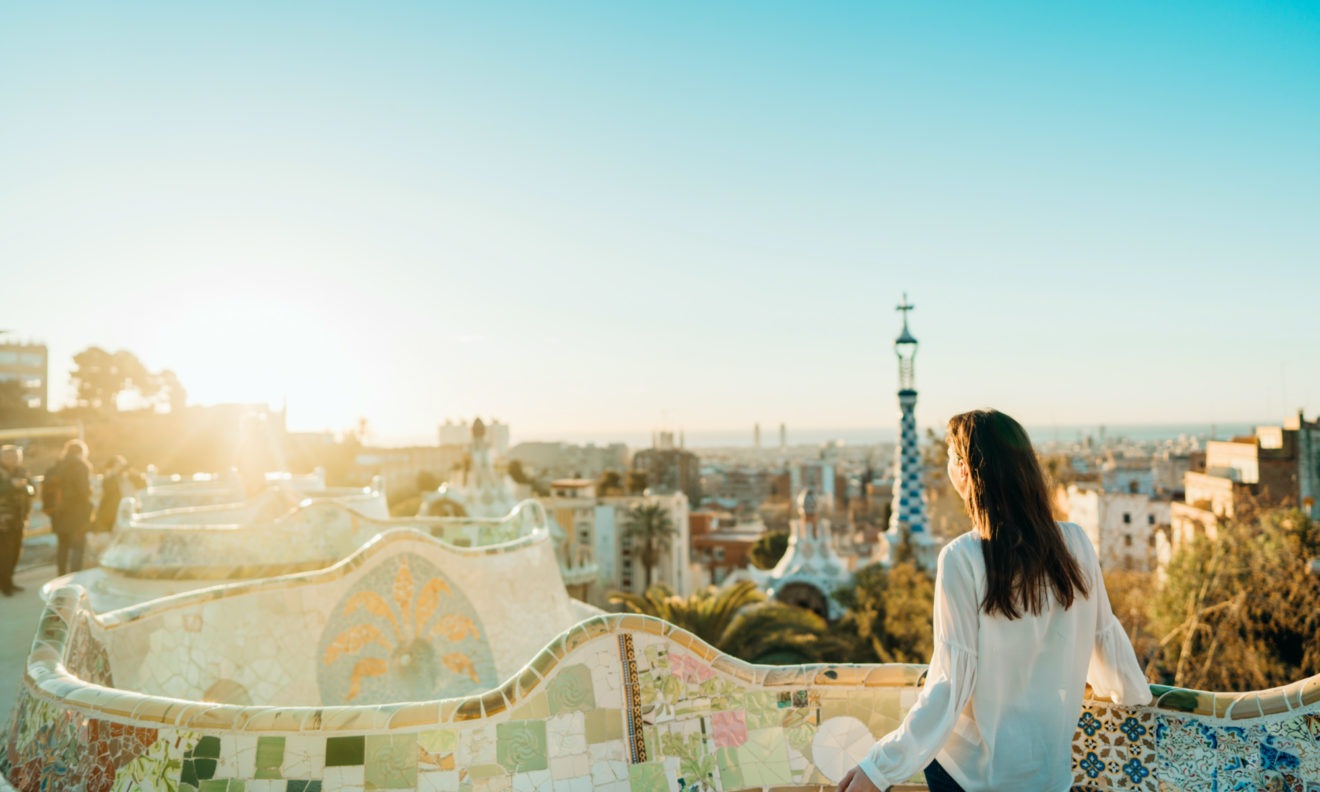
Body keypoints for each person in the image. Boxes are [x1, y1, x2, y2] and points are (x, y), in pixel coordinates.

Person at [838, 409, 1152, 792]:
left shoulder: (961, 558)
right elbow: (1106, 640)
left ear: (966, 473)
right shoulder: (1076, 544)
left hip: (969, 774)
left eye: (951, 457)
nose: (948, 466)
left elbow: (950, 685)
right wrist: (1137, 698)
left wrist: (878, 768)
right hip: (1048, 774)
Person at [47, 439, 94, 576]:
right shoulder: (81, 466)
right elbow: (83, 490)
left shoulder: (58, 466)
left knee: (63, 546)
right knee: (78, 547)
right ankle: (75, 576)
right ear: (82, 452)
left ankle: (61, 575)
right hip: (77, 513)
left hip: (59, 512)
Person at [0, 445, 36, 596]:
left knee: (15, 552)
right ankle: (5, 585)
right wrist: (10, 485)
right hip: (3, 519)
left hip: (19, 517)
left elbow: (33, 488)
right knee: (4, 554)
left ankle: (10, 581)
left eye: (17, 457)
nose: (15, 460)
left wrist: (27, 487)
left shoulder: (22, 471)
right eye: (10, 457)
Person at [94, 455, 128, 533]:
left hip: (120, 509)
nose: (119, 468)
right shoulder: (107, 478)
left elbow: (142, 484)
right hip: (108, 510)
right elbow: (105, 490)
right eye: (116, 466)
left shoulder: (125, 478)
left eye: (121, 466)